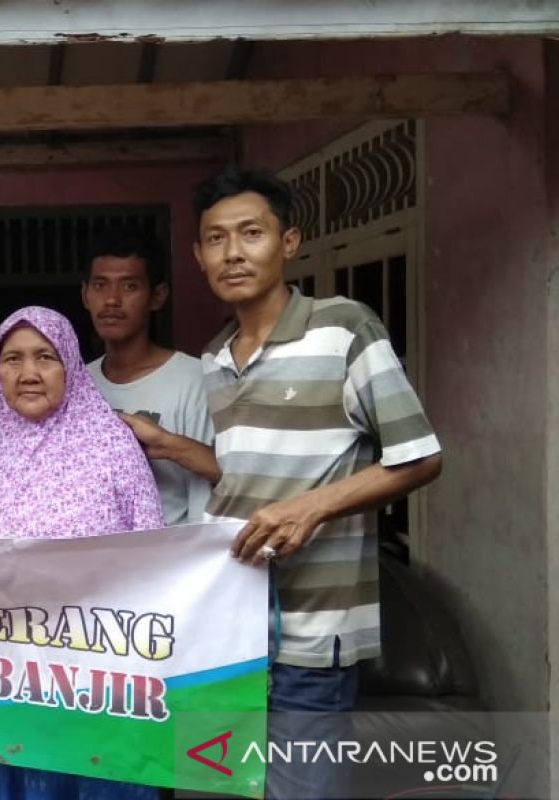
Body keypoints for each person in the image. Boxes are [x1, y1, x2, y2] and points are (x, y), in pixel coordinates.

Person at [188, 167, 443, 798]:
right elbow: (247, 473)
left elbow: (420, 456)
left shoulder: (344, 328)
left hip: (313, 633)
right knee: (220, 786)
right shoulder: (214, 357)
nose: (233, 252)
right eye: (216, 239)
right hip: (229, 630)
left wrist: (314, 507)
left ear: (290, 241)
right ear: (198, 256)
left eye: (251, 233)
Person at [0, 305, 164, 800]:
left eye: (45, 357)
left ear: (70, 363)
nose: (28, 373)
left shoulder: (113, 444)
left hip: (97, 682)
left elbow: (156, 557)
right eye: (12, 359)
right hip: (1, 680)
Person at [81, 226, 218, 524]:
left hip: (171, 558)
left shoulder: (194, 378)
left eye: (129, 286)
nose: (112, 300)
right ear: (85, 295)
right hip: (96, 559)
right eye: (100, 285)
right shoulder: (76, 384)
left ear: (157, 296)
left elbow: (203, 491)